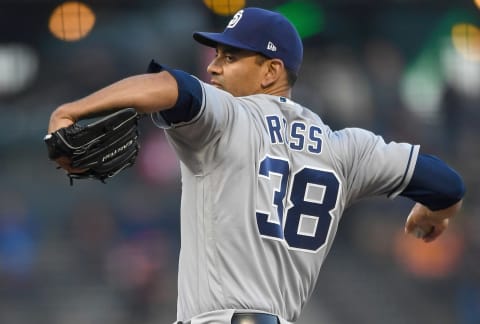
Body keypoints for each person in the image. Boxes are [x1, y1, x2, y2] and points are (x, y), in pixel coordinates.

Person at [47, 7, 465, 324]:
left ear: (270, 71)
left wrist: (72, 108)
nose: (213, 66)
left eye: (229, 57)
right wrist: (436, 213)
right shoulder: (345, 148)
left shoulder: (229, 117)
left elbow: (168, 87)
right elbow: (446, 183)